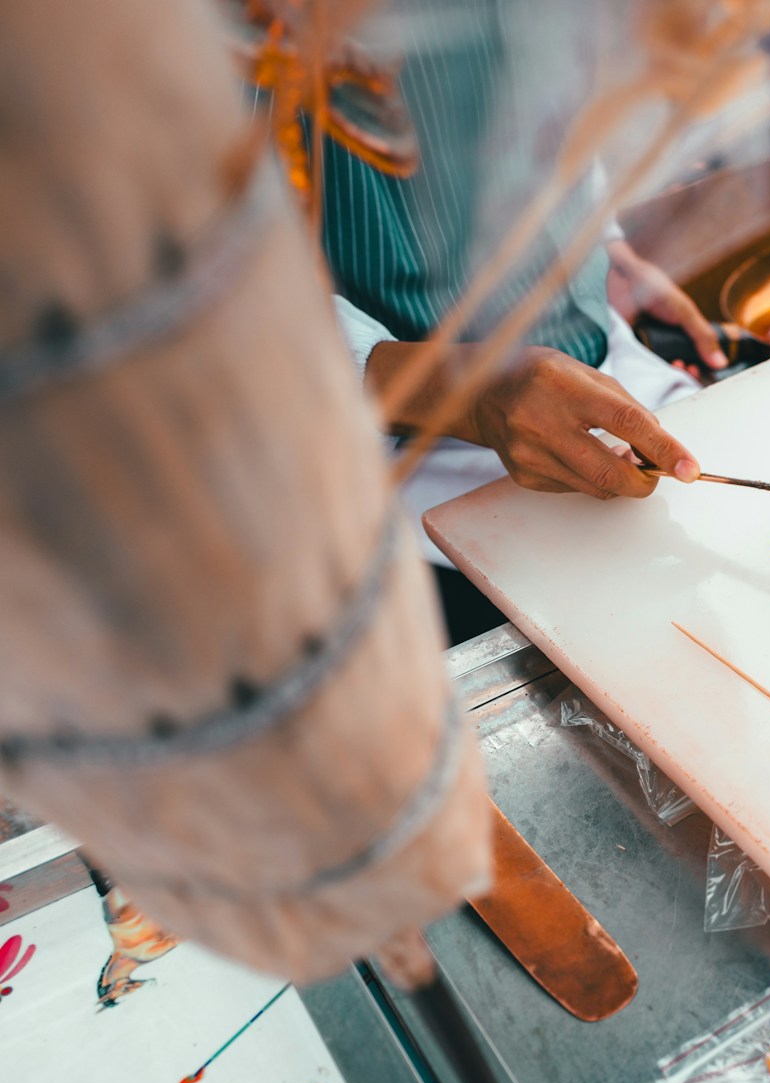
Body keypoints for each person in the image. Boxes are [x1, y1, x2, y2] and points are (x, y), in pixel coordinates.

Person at [299, 0, 723, 641]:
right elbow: (186, 279)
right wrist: (463, 392)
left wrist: (601, 243)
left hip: (617, 362)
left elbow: (546, 81)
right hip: (408, 485)